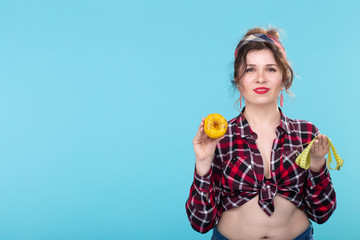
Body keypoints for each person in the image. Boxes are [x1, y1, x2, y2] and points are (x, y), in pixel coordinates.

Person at [185, 28, 336, 240]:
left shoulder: (306, 133)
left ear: (284, 78)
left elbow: (322, 213)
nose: (261, 79)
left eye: (271, 69)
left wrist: (318, 165)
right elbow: (200, 222)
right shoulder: (220, 137)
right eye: (250, 70)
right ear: (238, 80)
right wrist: (202, 162)